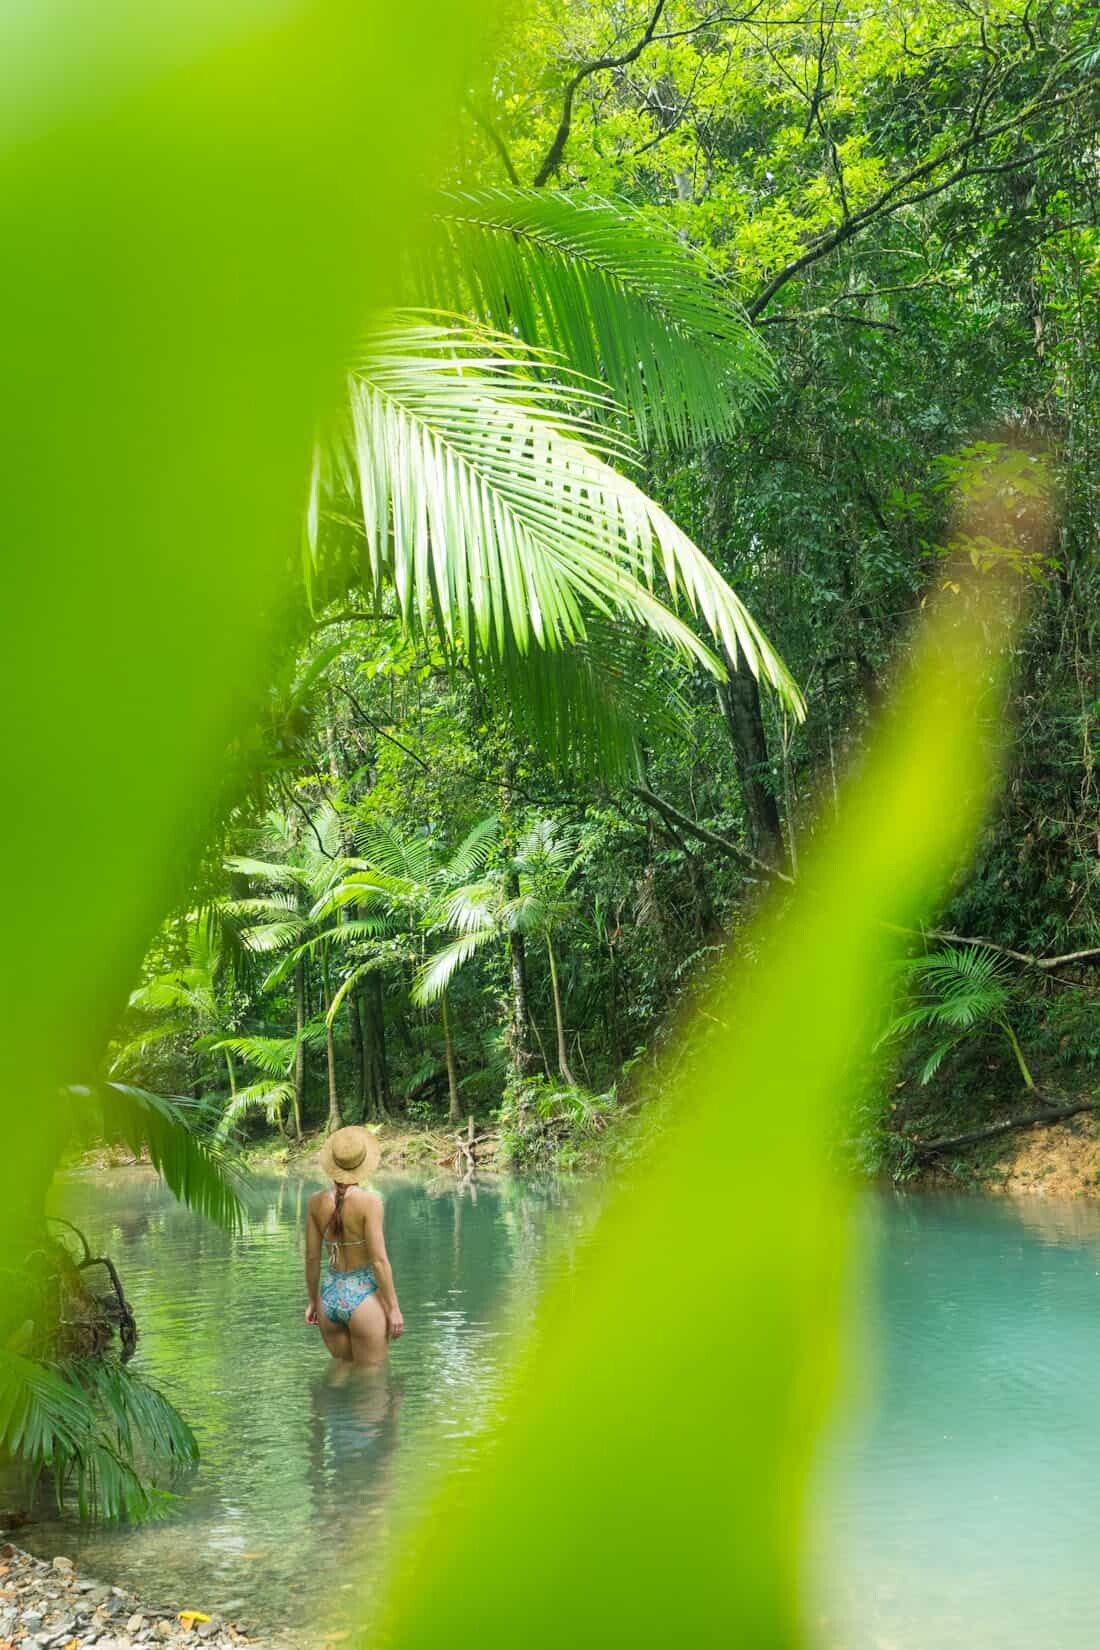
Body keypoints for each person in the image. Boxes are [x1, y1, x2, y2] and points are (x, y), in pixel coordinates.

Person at [305, 1126, 404, 1365]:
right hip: (364, 1298)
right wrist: (393, 1308)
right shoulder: (370, 1202)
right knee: (371, 1382)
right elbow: (379, 1261)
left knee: (344, 1369)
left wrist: (312, 1302)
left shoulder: (316, 1202)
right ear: (363, 1164)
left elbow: (311, 1258)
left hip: (328, 1296)